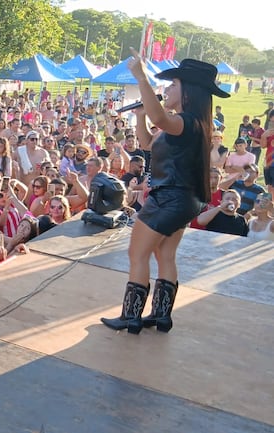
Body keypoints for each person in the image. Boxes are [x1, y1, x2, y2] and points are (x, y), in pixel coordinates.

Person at [101, 56, 230, 334]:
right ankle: (160, 316)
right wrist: (140, 116)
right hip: (181, 200)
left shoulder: (185, 122)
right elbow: (147, 142)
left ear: (188, 91)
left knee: (137, 253)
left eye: (173, 84)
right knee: (165, 254)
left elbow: (159, 116)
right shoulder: (188, 124)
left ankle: (130, 317)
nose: (167, 89)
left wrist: (141, 78)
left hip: (168, 199)